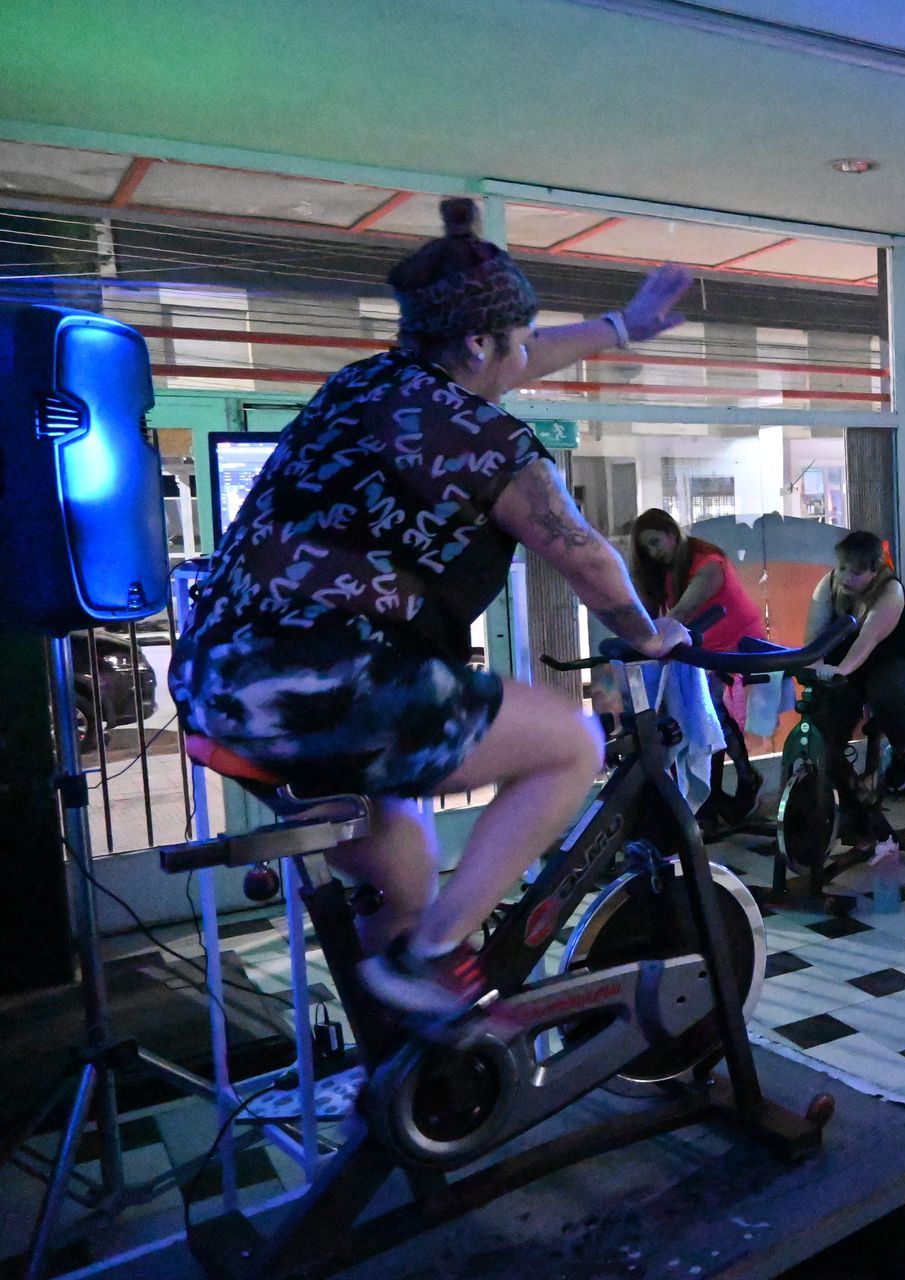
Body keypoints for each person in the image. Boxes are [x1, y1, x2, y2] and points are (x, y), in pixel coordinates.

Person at [170, 197, 694, 1016]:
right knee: (570, 743)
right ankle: (435, 952)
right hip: (327, 689)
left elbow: (513, 358)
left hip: (216, 683)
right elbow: (585, 556)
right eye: (517, 341)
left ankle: (410, 1072)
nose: (526, 358)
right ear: (481, 342)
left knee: (403, 859)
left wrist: (621, 327)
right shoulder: (485, 440)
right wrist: (646, 633)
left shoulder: (358, 386)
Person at [630, 507, 768, 823]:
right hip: (702, 650)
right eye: (646, 548)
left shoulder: (708, 563)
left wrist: (645, 638)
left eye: (656, 542)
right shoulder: (664, 572)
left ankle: (735, 786)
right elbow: (656, 616)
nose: (654, 552)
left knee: (710, 714)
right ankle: (714, 795)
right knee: (700, 714)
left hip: (737, 646)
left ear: (671, 532)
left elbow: (679, 613)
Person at [805, 530, 905, 795]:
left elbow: (868, 639)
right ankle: (848, 791)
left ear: (875, 570)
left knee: (884, 691)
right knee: (825, 725)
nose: (847, 577)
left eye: (857, 572)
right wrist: (812, 669)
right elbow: (813, 639)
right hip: (846, 663)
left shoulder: (890, 590)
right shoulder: (827, 585)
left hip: (895, 659)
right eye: (842, 568)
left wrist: (839, 671)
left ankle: (902, 752)